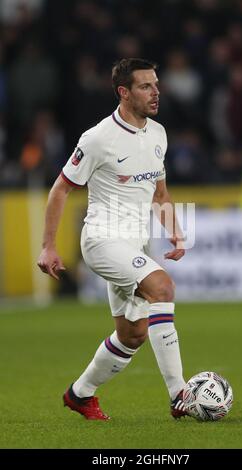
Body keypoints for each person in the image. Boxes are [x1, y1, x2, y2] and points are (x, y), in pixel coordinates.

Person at [37, 58, 189, 421]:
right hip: (103, 240)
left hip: (135, 245)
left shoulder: (158, 134)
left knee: (133, 334)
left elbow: (160, 193)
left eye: (156, 84)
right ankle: (180, 394)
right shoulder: (97, 138)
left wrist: (175, 230)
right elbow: (60, 190)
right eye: (145, 86)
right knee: (162, 289)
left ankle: (80, 394)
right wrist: (48, 245)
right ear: (124, 92)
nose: (156, 93)